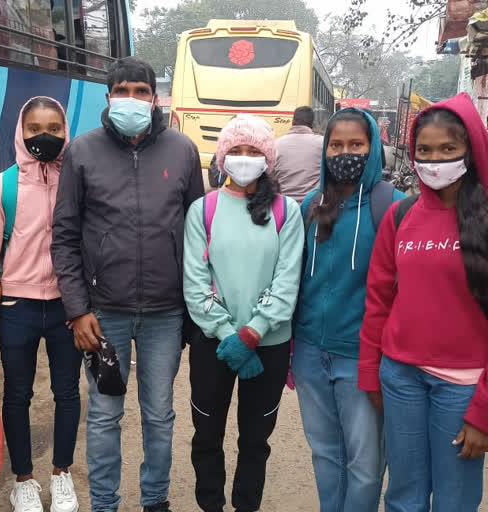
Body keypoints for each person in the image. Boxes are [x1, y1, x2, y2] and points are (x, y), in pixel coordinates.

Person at [51, 56, 204, 512]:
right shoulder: (82, 151)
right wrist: (78, 309)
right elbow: (64, 235)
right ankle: (104, 503)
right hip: (104, 314)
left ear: (155, 98)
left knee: (159, 415)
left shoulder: (182, 150)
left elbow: (198, 231)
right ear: (108, 97)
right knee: (104, 415)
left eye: (141, 91)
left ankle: (155, 500)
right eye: (123, 91)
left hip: (165, 313)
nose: (132, 99)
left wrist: (194, 309)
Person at [359, 93, 488, 511]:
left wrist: (484, 409)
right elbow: (378, 299)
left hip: (464, 390)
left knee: (454, 501)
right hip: (401, 380)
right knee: (403, 496)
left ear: (472, 148)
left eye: (448, 149)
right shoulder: (402, 216)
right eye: (425, 151)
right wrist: (371, 372)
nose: (435, 161)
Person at [183, 115, 304, 512]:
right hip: (213, 345)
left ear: (267, 159)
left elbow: (288, 281)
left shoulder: (287, 212)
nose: (244, 158)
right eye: (236, 150)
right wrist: (226, 332)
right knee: (207, 434)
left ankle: (246, 505)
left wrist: (252, 333)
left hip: (267, 346)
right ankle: (211, 504)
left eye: (254, 151)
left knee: (255, 439)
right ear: (222, 158)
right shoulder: (203, 210)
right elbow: (195, 281)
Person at [0, 96, 81, 512]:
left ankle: (62, 474)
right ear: (21, 132)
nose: (45, 136)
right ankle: (24, 480)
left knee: (67, 392)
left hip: (66, 309)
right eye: (35, 128)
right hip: (16, 307)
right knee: (17, 394)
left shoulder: (76, 180)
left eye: (54, 128)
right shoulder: (3, 186)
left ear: (65, 132)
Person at [291, 108, 405, 512]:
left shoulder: (394, 206)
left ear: (373, 148)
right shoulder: (311, 204)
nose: (344, 153)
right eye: (335, 145)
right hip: (309, 353)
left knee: (366, 463)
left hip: (362, 357)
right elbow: (297, 277)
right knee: (325, 453)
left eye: (356, 144)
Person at [271, 106, 324, 204]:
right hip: (312, 207)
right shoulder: (322, 144)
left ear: (293, 122)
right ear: (312, 124)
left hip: (284, 207)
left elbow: (270, 178)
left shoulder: (276, 144)